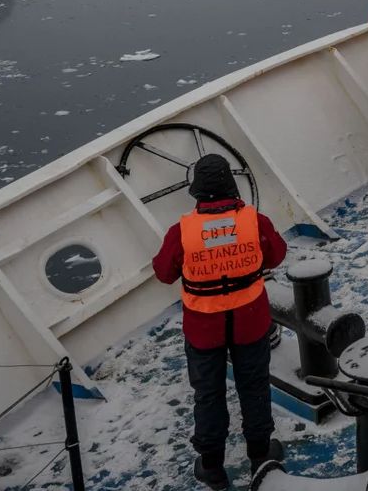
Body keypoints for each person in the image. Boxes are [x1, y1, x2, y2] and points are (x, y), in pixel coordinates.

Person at [150, 154, 288, 489]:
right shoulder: (254, 221)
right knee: (254, 387)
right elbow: (276, 254)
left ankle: (211, 465)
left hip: (203, 328)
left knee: (208, 394)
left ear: (196, 191)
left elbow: (163, 272)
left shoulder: (181, 231)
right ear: (231, 184)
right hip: (251, 322)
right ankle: (260, 454)